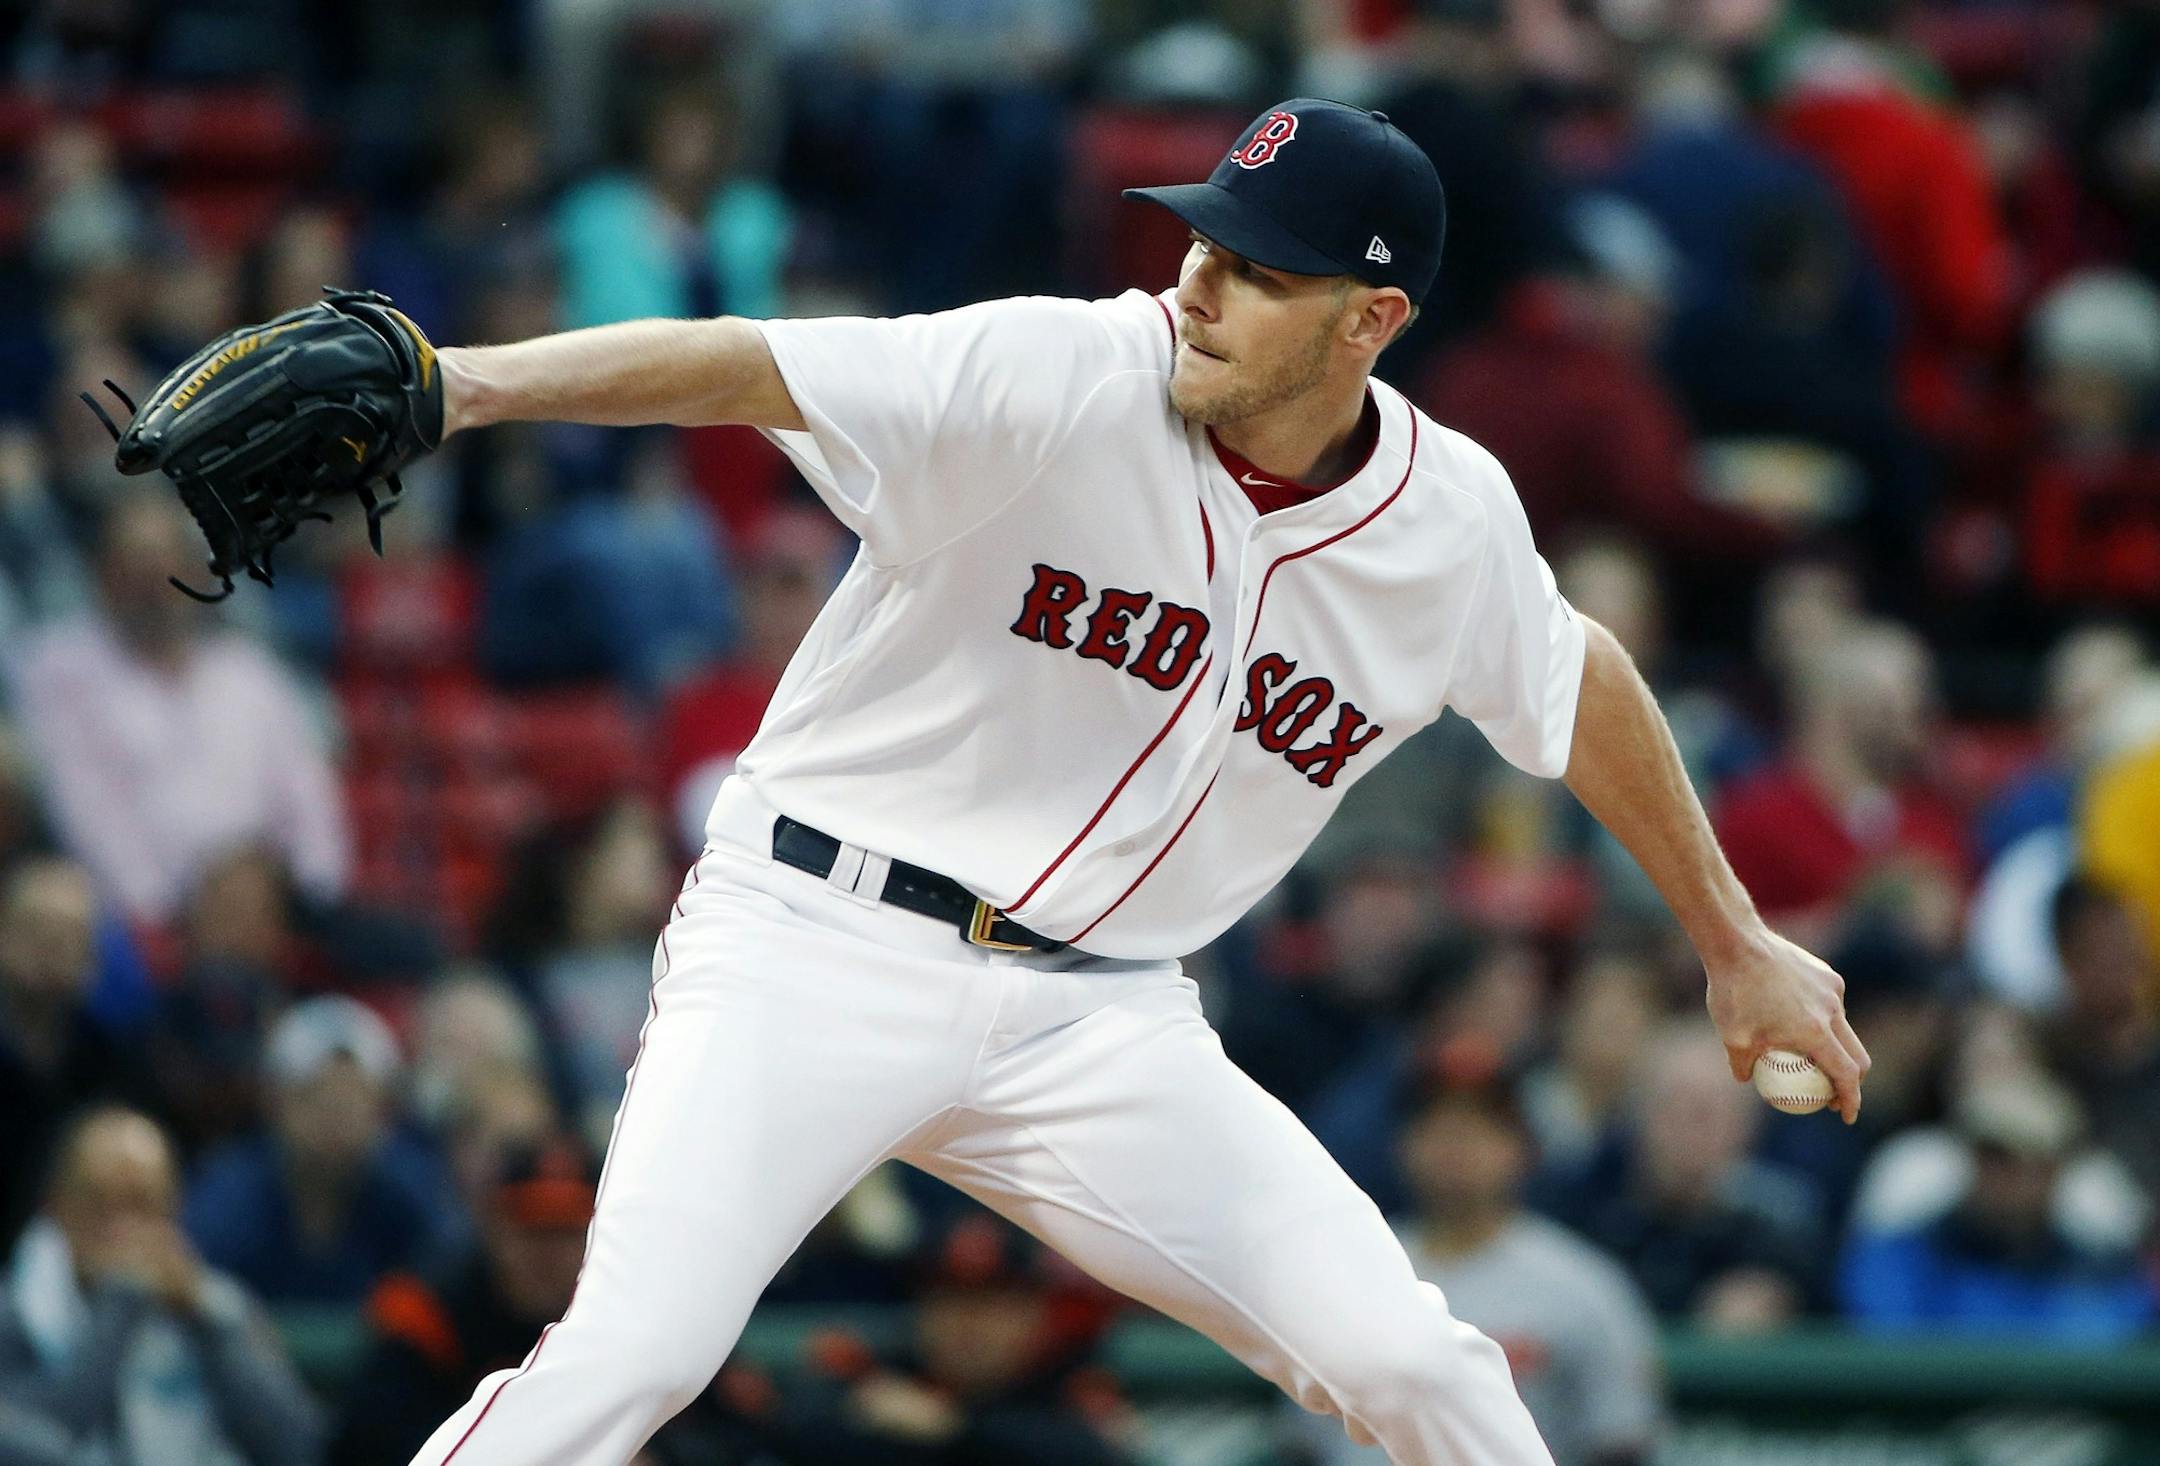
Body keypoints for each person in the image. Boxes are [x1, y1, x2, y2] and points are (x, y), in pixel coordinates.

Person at [397, 98, 1867, 1465]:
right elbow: (747, 360)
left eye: (1261, 269)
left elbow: (1581, 677)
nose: (1202, 285)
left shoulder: (1448, 521)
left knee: (1420, 1366)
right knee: (633, 1354)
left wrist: (1732, 938)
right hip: (817, 938)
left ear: (1374, 319)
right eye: (1206, 239)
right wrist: (457, 386)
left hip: (1097, 1020)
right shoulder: (1065, 369)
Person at [1295, 1059, 1664, 1466]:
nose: (1455, 1144)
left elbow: (1620, 1443)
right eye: (1437, 1125)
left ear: (1521, 1148)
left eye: (1479, 1128)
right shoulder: (1347, 1275)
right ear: (1403, 1144)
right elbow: (1303, 1445)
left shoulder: (1582, 1287)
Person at [0, 1107, 324, 1466]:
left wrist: (211, 1326)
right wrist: (122, 1304)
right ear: (57, 1207)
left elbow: (301, 1448)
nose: (122, 1227)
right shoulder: (17, 1312)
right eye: (99, 1202)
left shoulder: (218, 1307)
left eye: (141, 1203)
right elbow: (38, 1435)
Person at [183, 996, 448, 1306]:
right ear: (275, 1101)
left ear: (383, 1112)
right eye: (315, 1098)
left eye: (353, 1102)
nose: (335, 1119)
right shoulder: (227, 1194)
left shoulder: (413, 1190)